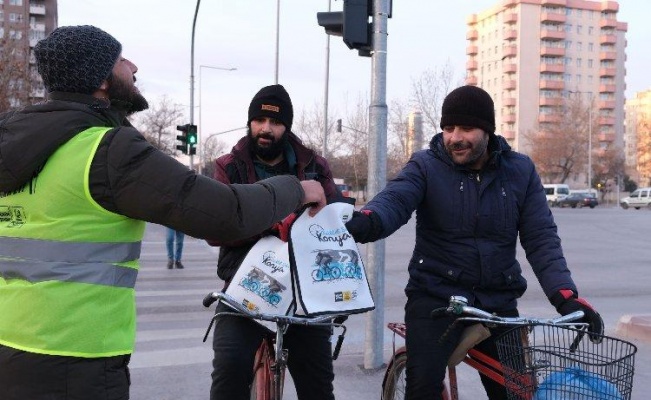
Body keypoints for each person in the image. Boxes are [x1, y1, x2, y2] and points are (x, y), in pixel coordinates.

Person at [0, 26, 326, 400]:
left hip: (8, 347)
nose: (133, 66)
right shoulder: (106, 151)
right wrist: (296, 188)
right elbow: (224, 213)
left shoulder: (12, 144)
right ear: (102, 81)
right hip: (77, 360)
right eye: (121, 59)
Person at [345, 85, 604, 400]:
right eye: (448, 128)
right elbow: (396, 199)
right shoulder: (425, 166)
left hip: (497, 300)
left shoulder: (520, 171)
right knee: (422, 388)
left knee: (515, 392)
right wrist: (369, 219)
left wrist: (565, 296)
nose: (455, 137)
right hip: (436, 297)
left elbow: (541, 238)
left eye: (466, 128)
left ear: (488, 131)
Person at [208, 84, 340, 400]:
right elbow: (216, 228)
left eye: (276, 122)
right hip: (244, 286)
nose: (266, 129)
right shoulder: (228, 166)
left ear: (287, 126)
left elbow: (334, 223)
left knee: (318, 385)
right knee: (229, 369)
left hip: (303, 289)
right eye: (259, 120)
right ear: (250, 122)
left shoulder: (315, 166)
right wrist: (274, 222)